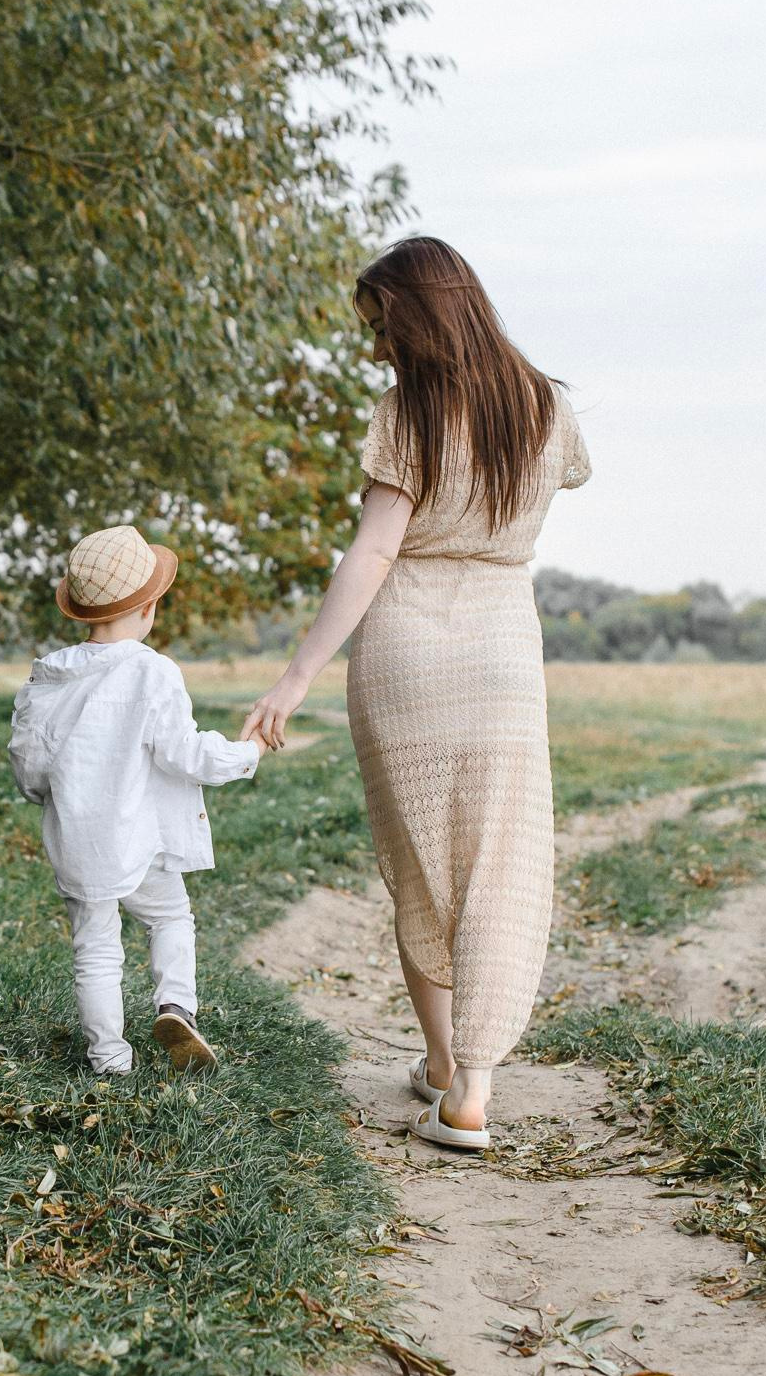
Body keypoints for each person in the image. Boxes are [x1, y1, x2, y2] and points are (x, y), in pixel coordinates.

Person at [240, 236, 590, 1149]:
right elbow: (562, 485)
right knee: (500, 860)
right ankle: (469, 1084)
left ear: (421, 315)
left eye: (382, 325)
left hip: (407, 652)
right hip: (505, 651)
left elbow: (376, 551)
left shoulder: (409, 412)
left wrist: (298, 671)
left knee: (424, 862)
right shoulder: (545, 405)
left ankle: (442, 1061)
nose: (378, 347)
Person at [10, 524, 264, 1074]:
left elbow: (28, 767)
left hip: (80, 840)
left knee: (95, 949)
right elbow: (185, 754)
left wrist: (50, 798)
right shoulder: (153, 672)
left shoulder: (45, 678)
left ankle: (108, 1057)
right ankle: (176, 1007)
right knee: (171, 917)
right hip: (140, 840)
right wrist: (247, 752)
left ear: (78, 610)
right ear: (148, 608)